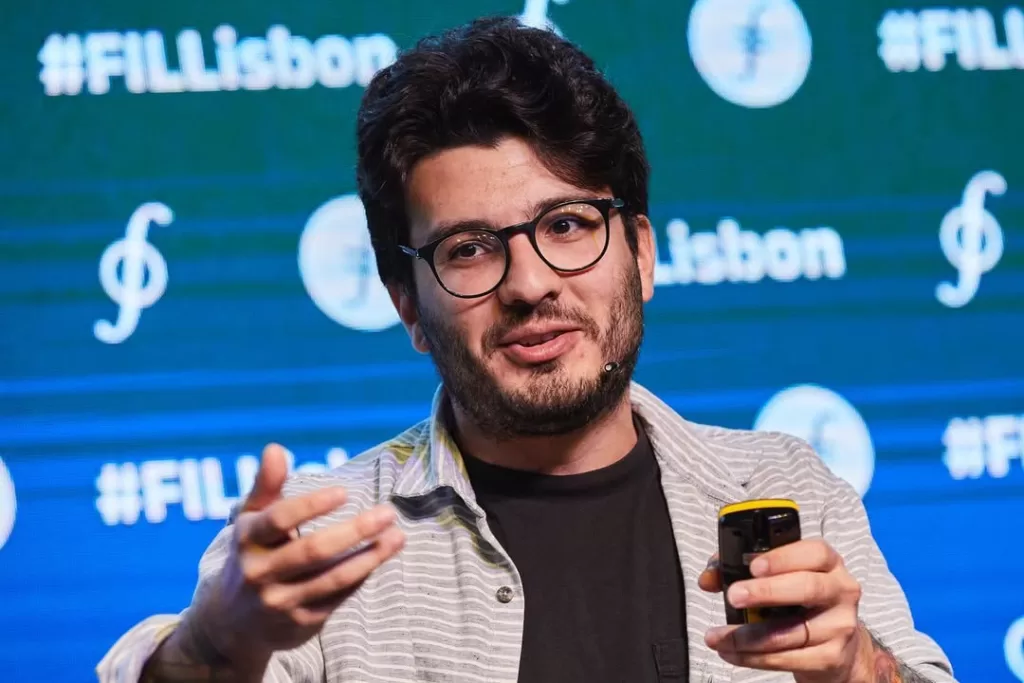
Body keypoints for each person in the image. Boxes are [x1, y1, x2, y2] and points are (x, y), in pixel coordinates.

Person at [97, 16, 956, 683]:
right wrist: (213, 644)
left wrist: (853, 664)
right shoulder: (324, 535)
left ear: (644, 254)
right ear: (407, 303)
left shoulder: (788, 486)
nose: (531, 283)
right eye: (469, 248)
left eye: (568, 224)